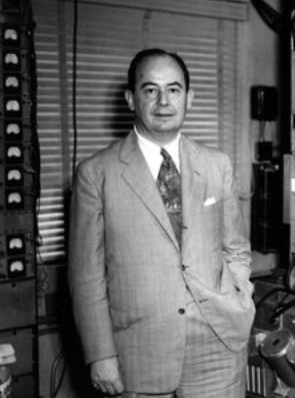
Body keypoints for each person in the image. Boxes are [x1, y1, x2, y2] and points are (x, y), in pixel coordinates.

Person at [68, 48, 255, 397]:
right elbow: (86, 277)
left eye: (174, 89)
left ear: (189, 97)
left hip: (217, 343)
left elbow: (236, 246)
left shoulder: (217, 165)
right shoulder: (96, 174)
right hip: (137, 352)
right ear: (130, 98)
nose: (163, 101)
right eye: (150, 90)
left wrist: (239, 294)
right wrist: (100, 354)